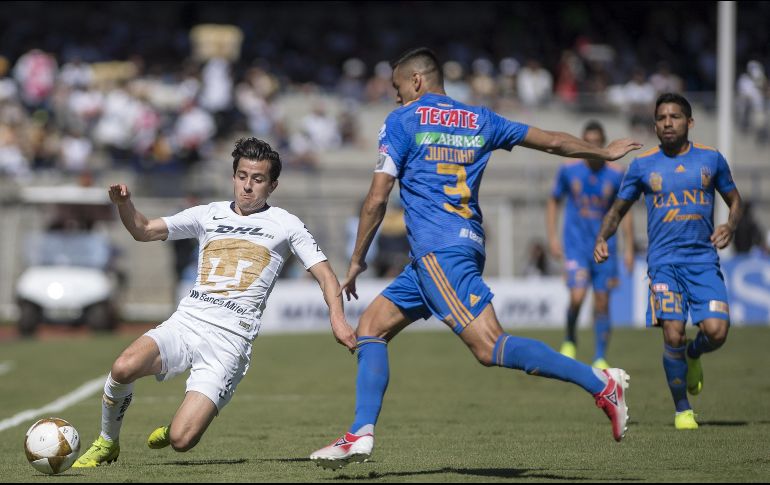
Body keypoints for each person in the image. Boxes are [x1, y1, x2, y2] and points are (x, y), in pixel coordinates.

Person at [310, 47, 642, 470]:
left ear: (416, 81)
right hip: (454, 249)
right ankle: (360, 432)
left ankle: (600, 383)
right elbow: (553, 141)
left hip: (439, 251)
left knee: (490, 347)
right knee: (371, 328)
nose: (395, 95)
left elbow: (377, 197)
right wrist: (603, 152)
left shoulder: (402, 121)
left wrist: (357, 258)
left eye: (397, 86)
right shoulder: (481, 118)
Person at [73, 137, 356, 467]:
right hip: (187, 322)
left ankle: (179, 426)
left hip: (229, 342)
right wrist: (124, 204)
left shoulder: (286, 224)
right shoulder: (208, 214)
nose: (247, 186)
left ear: (272, 185)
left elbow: (326, 276)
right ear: (233, 176)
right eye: (242, 176)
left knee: (181, 440)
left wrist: (338, 320)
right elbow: (144, 230)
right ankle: (107, 442)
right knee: (123, 367)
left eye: (258, 179)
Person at [594, 93, 743, 430]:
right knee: (673, 334)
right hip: (664, 264)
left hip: (703, 261)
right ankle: (682, 410)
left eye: (675, 117)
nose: (667, 123)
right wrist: (602, 237)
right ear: (655, 126)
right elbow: (617, 210)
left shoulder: (711, 159)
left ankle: (694, 354)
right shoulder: (642, 165)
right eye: (661, 118)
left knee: (717, 332)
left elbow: (735, 201)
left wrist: (730, 226)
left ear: (689, 122)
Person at [546, 120, 635, 369]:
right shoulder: (569, 170)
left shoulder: (616, 174)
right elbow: (553, 201)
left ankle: (600, 357)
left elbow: (624, 211)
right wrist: (552, 237)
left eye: (597, 142)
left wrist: (629, 247)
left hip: (606, 247)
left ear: (603, 143)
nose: (592, 146)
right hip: (576, 245)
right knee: (577, 296)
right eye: (588, 142)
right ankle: (570, 338)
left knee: (602, 302)